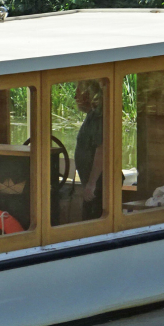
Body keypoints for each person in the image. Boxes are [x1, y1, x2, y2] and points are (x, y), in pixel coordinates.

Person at [74, 79, 104, 221]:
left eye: (78, 93)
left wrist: (91, 184)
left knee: (92, 221)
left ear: (89, 95)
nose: (75, 97)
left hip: (99, 186)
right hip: (92, 184)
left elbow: (102, 150)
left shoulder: (99, 117)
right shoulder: (92, 116)